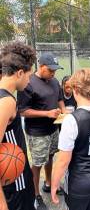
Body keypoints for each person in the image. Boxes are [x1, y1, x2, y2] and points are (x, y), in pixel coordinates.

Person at [51, 68, 90, 210]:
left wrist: (54, 185)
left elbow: (63, 161)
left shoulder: (72, 120)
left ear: (75, 89)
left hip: (78, 184)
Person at [17, 52, 66, 210]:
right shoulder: (28, 83)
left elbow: (60, 99)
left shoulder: (54, 81)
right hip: (37, 132)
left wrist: (64, 113)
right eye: (50, 70)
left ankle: (48, 183)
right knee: (37, 164)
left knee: (51, 156)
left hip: (53, 129)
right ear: (41, 66)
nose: (53, 73)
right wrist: (46, 113)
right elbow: (23, 111)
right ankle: (35, 195)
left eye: (55, 70)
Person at [0, 41, 36, 210]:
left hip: (15, 179)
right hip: (15, 182)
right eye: (29, 76)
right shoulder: (6, 101)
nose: (29, 81)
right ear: (20, 73)